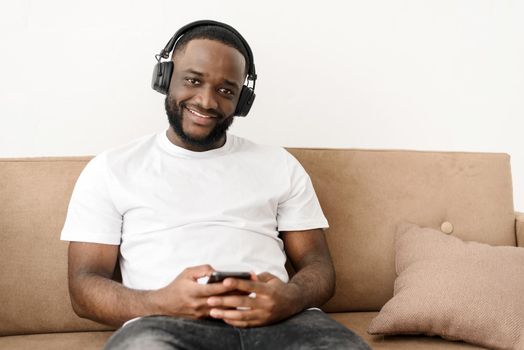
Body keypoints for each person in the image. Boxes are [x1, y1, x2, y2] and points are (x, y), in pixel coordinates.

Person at [61, 20, 370, 350]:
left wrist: (288, 297)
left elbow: (318, 266)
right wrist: (162, 301)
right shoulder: (111, 169)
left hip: (284, 323)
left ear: (242, 100)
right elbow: (84, 287)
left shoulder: (279, 164)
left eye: (226, 91)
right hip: (164, 325)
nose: (207, 101)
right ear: (165, 79)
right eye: (193, 80)